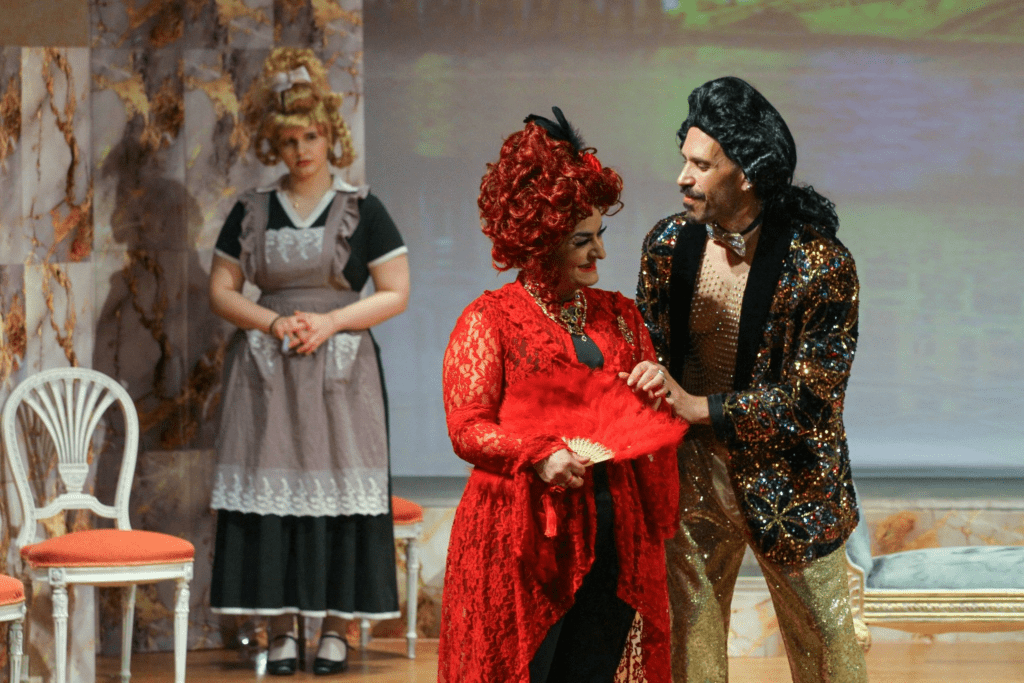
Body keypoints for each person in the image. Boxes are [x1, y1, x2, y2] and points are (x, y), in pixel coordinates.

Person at [634, 76, 868, 682]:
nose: (682, 177)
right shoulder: (667, 244)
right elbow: (648, 348)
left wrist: (699, 407)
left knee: (828, 652)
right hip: (689, 476)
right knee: (691, 643)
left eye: (701, 165)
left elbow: (811, 403)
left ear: (746, 172)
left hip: (790, 484)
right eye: (684, 160)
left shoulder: (819, 264)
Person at [439, 108, 681, 683]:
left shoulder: (620, 316)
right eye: (581, 240)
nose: (599, 253)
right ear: (542, 241)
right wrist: (538, 454)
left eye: (600, 235)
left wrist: (655, 389)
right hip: (524, 543)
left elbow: (645, 426)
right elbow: (466, 428)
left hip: (614, 541)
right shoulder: (490, 319)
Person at [207, 47, 410, 676]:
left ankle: (337, 631)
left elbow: (396, 291)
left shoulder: (363, 208)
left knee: (341, 491)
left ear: (330, 136)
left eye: (312, 137)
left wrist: (330, 322)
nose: (302, 151)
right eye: (290, 140)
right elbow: (221, 289)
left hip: (341, 371)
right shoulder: (251, 209)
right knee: (274, 493)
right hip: (267, 371)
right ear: (276, 144)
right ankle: (280, 632)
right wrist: (272, 321)